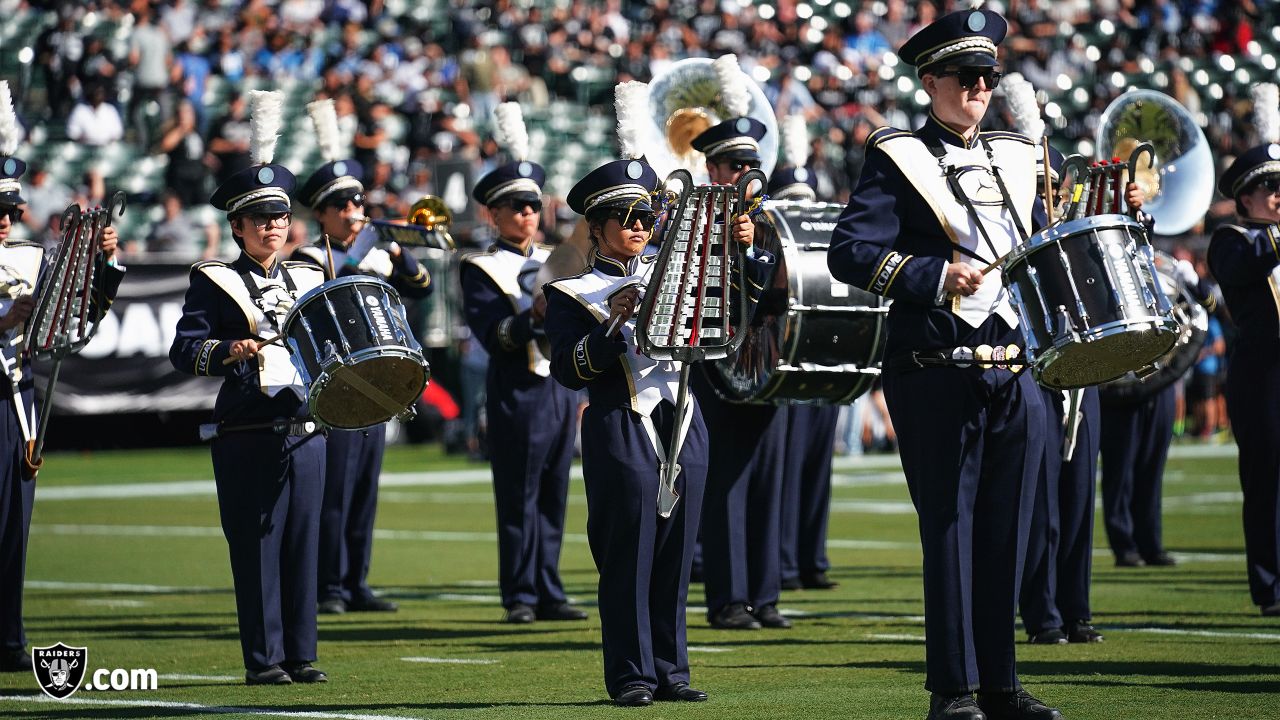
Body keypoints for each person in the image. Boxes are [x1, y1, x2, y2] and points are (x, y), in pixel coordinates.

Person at [827, 9, 1065, 719]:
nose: (980, 87)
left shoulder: (1021, 157)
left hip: (1015, 369)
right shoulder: (895, 156)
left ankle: (1002, 684)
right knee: (951, 532)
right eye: (966, 76)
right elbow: (849, 251)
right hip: (936, 364)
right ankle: (953, 691)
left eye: (988, 76)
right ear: (930, 81)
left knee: (1008, 532)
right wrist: (931, 276)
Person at [542, 154, 761, 705]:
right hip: (621, 422)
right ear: (596, 227)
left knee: (677, 553)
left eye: (647, 215)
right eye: (625, 216)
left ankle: (671, 670)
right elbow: (569, 371)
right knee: (628, 554)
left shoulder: (677, 269)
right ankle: (631, 675)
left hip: (685, 417)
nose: (639, 226)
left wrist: (742, 249)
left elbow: (741, 308)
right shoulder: (572, 293)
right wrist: (614, 321)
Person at [169, 90, 328, 685]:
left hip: (307, 431)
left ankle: (302, 654)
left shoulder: (314, 274)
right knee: (258, 549)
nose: (274, 226)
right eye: (261, 218)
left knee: (304, 547)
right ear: (237, 226)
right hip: (249, 429)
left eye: (281, 217)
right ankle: (264, 660)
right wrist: (230, 351)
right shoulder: (214, 280)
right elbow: (185, 350)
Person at [0, 98, 125, 672]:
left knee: (12, 528)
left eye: (11, 207)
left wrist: (103, 263)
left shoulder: (31, 256)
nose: (5, 217)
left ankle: (7, 637)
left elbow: (80, 316)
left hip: (16, 401)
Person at [293, 99, 432, 616]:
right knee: (335, 489)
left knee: (365, 490)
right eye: (344, 205)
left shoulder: (377, 252)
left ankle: (356, 581)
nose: (355, 211)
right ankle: (328, 584)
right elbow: (317, 300)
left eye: (358, 201)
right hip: (336, 384)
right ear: (323, 214)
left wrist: (398, 252)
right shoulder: (311, 258)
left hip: (379, 381)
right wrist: (360, 254)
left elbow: (421, 288)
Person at [460, 103, 582, 624]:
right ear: (494, 214)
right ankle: (521, 593)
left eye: (532, 205)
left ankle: (549, 587)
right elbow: (495, 335)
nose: (527, 215)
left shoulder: (561, 257)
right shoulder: (481, 266)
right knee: (519, 496)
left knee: (554, 492)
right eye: (514, 207)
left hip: (559, 387)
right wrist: (534, 316)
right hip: (518, 386)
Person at [687, 115, 792, 630]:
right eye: (735, 164)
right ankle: (729, 599)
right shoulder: (693, 222)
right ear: (712, 169)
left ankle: (765, 595)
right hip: (716, 363)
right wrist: (734, 248)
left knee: (768, 478)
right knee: (725, 479)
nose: (747, 172)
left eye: (753, 163)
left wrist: (756, 247)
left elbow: (782, 290)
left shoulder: (773, 220)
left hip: (765, 360)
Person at [1207, 139, 1280, 616]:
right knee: (1268, 482)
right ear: (1247, 195)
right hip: (1264, 375)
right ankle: (1271, 587)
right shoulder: (1233, 239)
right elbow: (1247, 267)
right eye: (1272, 187)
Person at [768, 151, 841, 591]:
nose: (801, 210)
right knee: (789, 470)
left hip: (821, 362)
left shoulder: (821, 246)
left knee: (817, 469)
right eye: (792, 201)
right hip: (785, 367)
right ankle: (786, 563)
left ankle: (812, 558)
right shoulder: (771, 249)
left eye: (806, 201)